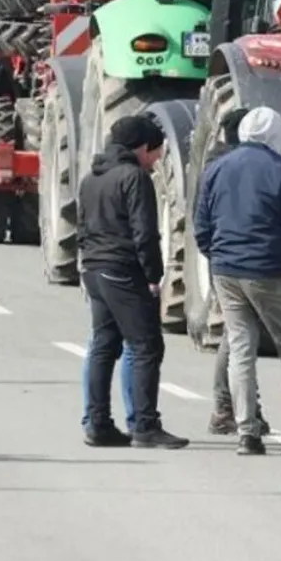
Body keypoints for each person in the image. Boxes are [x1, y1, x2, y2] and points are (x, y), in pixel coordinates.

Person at [193, 106, 281, 457]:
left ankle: (247, 432)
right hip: (269, 270)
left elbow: (201, 224)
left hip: (226, 270)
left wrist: (217, 255)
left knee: (241, 348)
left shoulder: (216, 168)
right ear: (275, 135)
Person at [77, 113, 187, 449]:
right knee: (145, 345)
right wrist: (153, 276)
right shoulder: (134, 178)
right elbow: (145, 234)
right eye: (155, 152)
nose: (156, 160)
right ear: (141, 147)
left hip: (94, 269)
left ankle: (97, 423)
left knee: (103, 344)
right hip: (122, 269)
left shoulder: (91, 178)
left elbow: (81, 226)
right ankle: (144, 425)